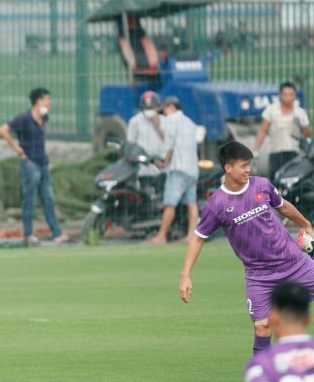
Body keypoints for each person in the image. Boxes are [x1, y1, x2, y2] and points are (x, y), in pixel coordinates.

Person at [178, 141, 314, 354]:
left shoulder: (262, 185)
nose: (248, 170)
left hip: (295, 263)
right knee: (262, 328)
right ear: (228, 168)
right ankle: (262, 378)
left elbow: (284, 206)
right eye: (243, 165)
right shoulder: (217, 204)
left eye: (249, 164)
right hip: (260, 276)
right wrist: (185, 275)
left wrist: (306, 223)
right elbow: (197, 238)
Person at [0, 87, 69, 246]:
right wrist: (18, 150)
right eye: (47, 99)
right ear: (39, 101)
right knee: (29, 199)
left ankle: (56, 232)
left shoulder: (44, 118)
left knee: (48, 199)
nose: (49, 103)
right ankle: (28, 234)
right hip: (30, 164)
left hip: (43, 163)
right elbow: (3, 130)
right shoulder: (24, 118)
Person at [150, 96, 199, 243]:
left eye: (164, 109)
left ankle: (161, 236)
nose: (163, 113)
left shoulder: (171, 120)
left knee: (170, 203)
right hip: (192, 168)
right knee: (191, 202)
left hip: (178, 168)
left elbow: (169, 143)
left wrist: (164, 161)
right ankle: (192, 235)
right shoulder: (189, 122)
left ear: (171, 107)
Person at [253, 81, 311, 183]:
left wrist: (303, 125)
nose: (288, 98)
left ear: (295, 96)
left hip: (293, 153)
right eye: (285, 94)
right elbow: (263, 130)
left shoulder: (300, 112)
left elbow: (307, 134)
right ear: (280, 95)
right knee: (275, 181)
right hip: (276, 152)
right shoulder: (271, 110)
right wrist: (255, 149)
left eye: (291, 94)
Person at [127, 90, 166, 181]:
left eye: (152, 108)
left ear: (157, 107)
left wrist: (157, 126)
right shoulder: (135, 122)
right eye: (147, 109)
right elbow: (131, 143)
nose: (149, 111)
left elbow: (168, 140)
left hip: (160, 164)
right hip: (143, 166)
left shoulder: (165, 121)